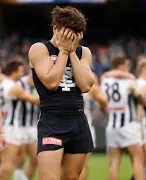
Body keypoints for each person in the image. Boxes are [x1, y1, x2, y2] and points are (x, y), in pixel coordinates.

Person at [28, 6, 95, 180]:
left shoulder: (83, 52)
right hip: (52, 121)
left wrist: (71, 51)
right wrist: (64, 51)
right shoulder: (39, 49)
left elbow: (86, 85)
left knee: (72, 178)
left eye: (75, 36)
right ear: (55, 28)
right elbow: (51, 82)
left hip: (78, 120)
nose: (71, 39)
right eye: (67, 35)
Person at [101, 57, 145, 180]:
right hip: (129, 124)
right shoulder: (129, 80)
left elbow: (102, 104)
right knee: (138, 160)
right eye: (126, 65)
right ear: (120, 66)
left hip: (112, 124)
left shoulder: (105, 80)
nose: (128, 69)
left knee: (114, 162)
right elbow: (142, 102)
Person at [0, 60, 39, 180]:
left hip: (5, 125)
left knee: (7, 160)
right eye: (21, 72)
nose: (22, 75)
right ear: (14, 72)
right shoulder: (13, 87)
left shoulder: (3, 84)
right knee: (8, 162)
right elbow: (33, 100)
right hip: (10, 127)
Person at [80, 77, 108, 180]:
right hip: (85, 127)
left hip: (65, 126)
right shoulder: (90, 87)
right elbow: (104, 102)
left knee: (65, 165)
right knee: (83, 165)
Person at [13, 72, 39, 180]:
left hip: (32, 126)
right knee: (21, 159)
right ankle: (18, 176)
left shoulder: (40, 83)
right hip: (20, 126)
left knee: (36, 159)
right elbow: (32, 100)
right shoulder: (20, 84)